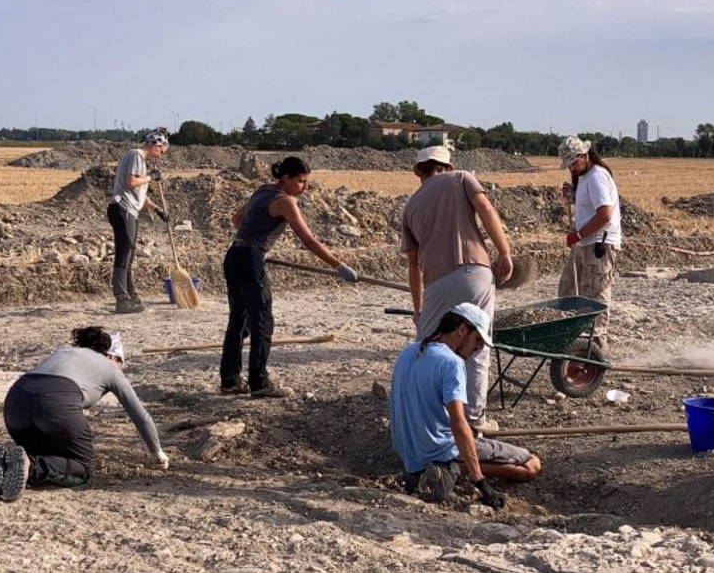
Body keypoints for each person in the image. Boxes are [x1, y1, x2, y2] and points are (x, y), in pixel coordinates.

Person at [219, 156, 359, 398]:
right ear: (285, 179)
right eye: (301, 182)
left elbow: (236, 220)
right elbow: (308, 240)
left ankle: (230, 380)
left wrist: (253, 238)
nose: (304, 187)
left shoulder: (262, 190)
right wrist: (339, 266)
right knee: (261, 321)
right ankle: (260, 383)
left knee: (238, 321)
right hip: (250, 259)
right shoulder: (285, 201)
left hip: (234, 255)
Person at [0, 326, 167, 502]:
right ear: (114, 357)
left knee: (45, 454)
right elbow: (140, 416)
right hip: (56, 403)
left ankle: (3, 465)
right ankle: (33, 467)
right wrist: (157, 452)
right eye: (121, 364)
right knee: (82, 467)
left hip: (15, 402)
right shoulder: (110, 367)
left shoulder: (64, 352)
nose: (121, 369)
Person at [400, 145, 515, 430]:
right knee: (476, 345)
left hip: (436, 284)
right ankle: (473, 420)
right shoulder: (461, 178)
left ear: (419, 172)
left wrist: (420, 309)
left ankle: (426, 416)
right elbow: (486, 209)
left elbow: (414, 267)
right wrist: (505, 252)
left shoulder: (410, 207)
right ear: (447, 166)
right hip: (474, 273)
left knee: (431, 346)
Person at [390, 303, 541, 506]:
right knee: (531, 464)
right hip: (440, 450)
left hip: (410, 454)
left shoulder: (408, 351)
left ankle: (424, 471)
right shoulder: (452, 363)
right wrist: (480, 482)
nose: (478, 348)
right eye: (477, 340)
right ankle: (451, 468)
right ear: (462, 330)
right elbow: (458, 423)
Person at [556, 137, 623, 329]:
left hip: (598, 246)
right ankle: (572, 339)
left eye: (573, 163)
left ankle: (594, 349)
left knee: (594, 299)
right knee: (568, 290)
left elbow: (604, 215)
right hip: (585, 243)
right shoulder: (587, 177)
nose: (571, 169)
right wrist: (574, 194)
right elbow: (590, 207)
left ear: (584, 156)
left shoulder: (597, 177)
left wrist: (578, 235)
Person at [108, 130, 172, 314]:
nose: (161, 156)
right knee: (123, 254)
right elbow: (131, 182)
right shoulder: (136, 155)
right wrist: (152, 177)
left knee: (129, 255)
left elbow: (139, 194)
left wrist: (158, 210)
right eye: (162, 151)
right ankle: (121, 299)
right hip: (123, 210)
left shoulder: (140, 162)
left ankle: (130, 295)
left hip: (129, 211)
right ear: (156, 145)